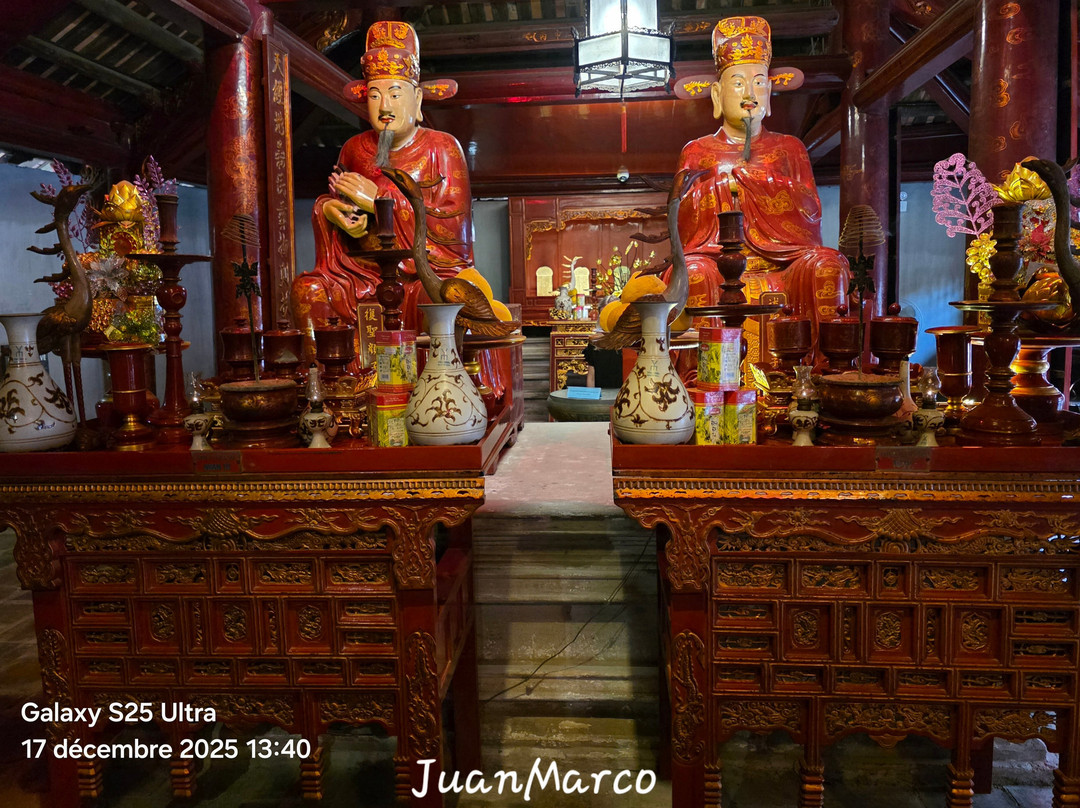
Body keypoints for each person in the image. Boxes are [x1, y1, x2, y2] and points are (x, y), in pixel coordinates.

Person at [675, 15, 850, 363]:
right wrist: (719, 188)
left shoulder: (790, 148)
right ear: (717, 94)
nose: (749, 94)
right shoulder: (696, 151)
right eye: (738, 83)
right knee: (693, 274)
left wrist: (751, 182)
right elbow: (681, 219)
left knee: (827, 265)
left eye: (758, 83)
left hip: (784, 262)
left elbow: (810, 212)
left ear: (769, 94)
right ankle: (703, 376)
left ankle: (824, 373)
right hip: (715, 263)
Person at [291, 20, 474, 345]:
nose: (385, 106)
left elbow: (453, 232)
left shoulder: (442, 147)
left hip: (422, 275)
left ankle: (431, 376)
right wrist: (332, 212)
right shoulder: (353, 148)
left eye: (395, 93)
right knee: (308, 290)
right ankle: (336, 374)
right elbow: (338, 201)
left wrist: (380, 201)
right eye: (375, 95)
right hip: (359, 273)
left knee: (444, 300)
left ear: (417, 99)